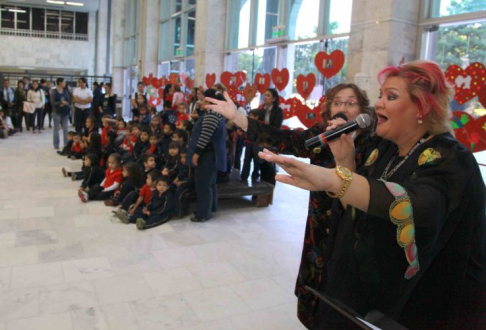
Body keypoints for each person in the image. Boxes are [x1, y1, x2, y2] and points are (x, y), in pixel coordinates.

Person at [215, 61, 486, 328]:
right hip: (354, 277)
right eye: (380, 96)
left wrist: (334, 177)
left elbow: (416, 205)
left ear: (423, 107)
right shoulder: (389, 149)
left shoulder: (452, 158)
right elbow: (359, 209)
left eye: (390, 97)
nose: (379, 104)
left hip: (424, 305)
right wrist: (344, 160)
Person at [205, 83, 377, 328]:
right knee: (314, 295)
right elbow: (285, 139)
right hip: (319, 230)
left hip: (353, 233)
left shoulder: (372, 145)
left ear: (362, 110)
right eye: (337, 103)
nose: (342, 108)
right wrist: (239, 118)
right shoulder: (321, 136)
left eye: (350, 103)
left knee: (343, 305)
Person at [186, 88, 227, 222]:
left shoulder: (211, 115)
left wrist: (196, 154)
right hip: (212, 153)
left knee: (203, 184)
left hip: (208, 154)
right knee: (210, 183)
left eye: (203, 98)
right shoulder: (214, 113)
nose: (201, 101)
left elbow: (205, 136)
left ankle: (203, 214)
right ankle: (210, 208)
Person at [51, 78, 71, 150]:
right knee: (56, 129)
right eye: (64, 82)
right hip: (56, 112)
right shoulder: (54, 91)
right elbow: (52, 103)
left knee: (65, 128)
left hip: (65, 111)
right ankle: (56, 144)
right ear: (59, 83)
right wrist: (60, 102)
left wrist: (65, 103)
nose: (65, 83)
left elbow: (68, 100)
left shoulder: (65, 91)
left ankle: (66, 144)